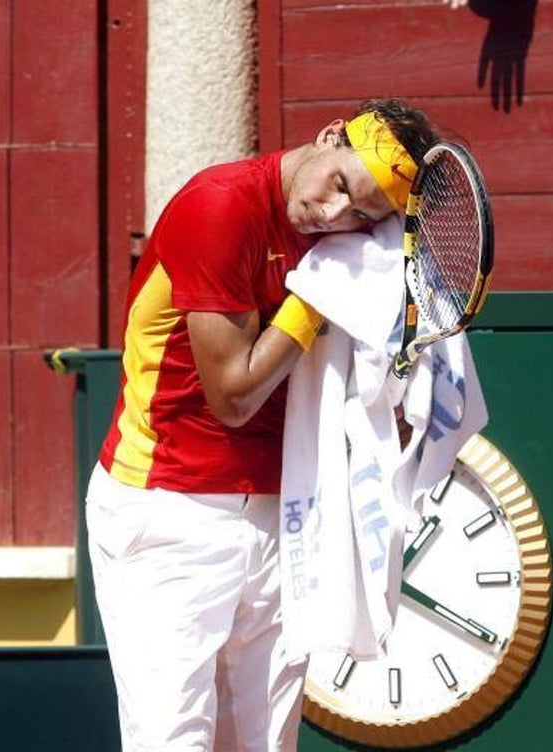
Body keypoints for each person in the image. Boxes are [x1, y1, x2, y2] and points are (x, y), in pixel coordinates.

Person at [86, 98, 439, 751]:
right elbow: (235, 396)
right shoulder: (220, 205)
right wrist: (316, 304)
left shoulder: (353, 246)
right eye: (339, 186)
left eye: (363, 213)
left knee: (266, 744)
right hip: (166, 510)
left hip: (285, 513)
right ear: (329, 134)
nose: (335, 215)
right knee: (174, 742)